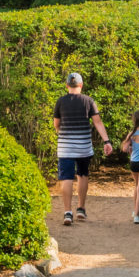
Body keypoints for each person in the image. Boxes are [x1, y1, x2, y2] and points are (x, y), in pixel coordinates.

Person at [53, 72, 112, 226]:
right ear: (81, 85)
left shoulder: (60, 101)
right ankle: (81, 208)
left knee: (66, 178)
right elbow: (98, 122)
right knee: (82, 175)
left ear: (67, 86)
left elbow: (56, 125)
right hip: (83, 146)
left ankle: (67, 212)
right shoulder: (89, 101)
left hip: (65, 147)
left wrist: (64, 134)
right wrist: (107, 141)